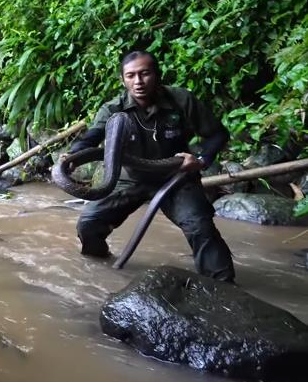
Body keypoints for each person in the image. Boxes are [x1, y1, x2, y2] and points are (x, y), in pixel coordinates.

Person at [64, 50, 236, 282]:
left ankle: (223, 287)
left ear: (157, 74)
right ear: (122, 80)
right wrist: (72, 156)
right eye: (131, 76)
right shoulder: (113, 110)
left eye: (145, 74)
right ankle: (98, 269)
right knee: (88, 224)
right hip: (129, 177)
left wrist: (201, 160)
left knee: (199, 226)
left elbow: (217, 134)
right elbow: (91, 139)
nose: (138, 82)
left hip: (175, 177)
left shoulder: (181, 100)